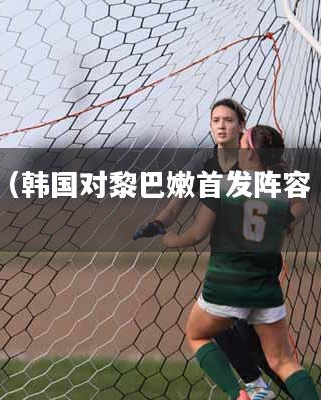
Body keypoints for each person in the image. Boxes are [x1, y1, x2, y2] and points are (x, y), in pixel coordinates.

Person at [134, 98, 285, 399]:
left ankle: (255, 388)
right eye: (216, 120)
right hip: (227, 262)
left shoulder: (255, 158)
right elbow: (175, 206)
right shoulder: (201, 164)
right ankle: (257, 388)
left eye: (228, 120)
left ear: (242, 126)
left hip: (254, 264)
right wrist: (158, 223)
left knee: (252, 346)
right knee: (235, 336)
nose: (221, 126)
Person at [162, 125, 316, 400]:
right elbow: (299, 205)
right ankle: (258, 386)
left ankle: (239, 393)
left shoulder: (223, 186)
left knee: (197, 334)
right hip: (265, 287)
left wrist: (171, 239)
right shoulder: (282, 188)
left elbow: (196, 234)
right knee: (284, 361)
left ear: (250, 153)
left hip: (227, 283)